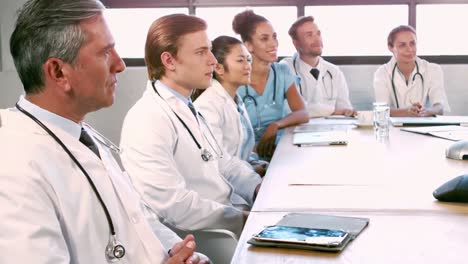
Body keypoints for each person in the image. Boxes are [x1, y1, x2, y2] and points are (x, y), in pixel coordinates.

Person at [0, 1, 208, 263]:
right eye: (105, 52)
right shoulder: (13, 166)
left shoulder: (80, 135)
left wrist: (178, 251)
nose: (120, 64)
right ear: (58, 71)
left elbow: (136, 219)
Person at [119, 14, 262, 238]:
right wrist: (242, 219)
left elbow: (222, 162)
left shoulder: (187, 106)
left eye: (210, 50)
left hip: (231, 216)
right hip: (212, 238)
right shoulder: (147, 118)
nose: (213, 61)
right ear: (169, 61)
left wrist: (256, 188)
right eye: (200, 52)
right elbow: (173, 205)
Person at [233, 10, 308, 159]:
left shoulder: (282, 71)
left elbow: (303, 113)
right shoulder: (236, 80)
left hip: (278, 148)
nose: (273, 43)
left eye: (274, 37)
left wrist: (276, 126)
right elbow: (231, 136)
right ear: (249, 46)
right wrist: (255, 151)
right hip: (246, 155)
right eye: (264, 38)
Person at [194, 36, 269, 177]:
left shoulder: (235, 101)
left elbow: (242, 153)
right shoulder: (207, 107)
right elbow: (219, 164)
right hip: (225, 189)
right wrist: (255, 174)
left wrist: (261, 166)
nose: (248, 66)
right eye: (240, 60)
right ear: (219, 68)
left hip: (242, 178)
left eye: (248, 59)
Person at [281, 16, 356, 118]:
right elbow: (291, 109)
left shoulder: (334, 71)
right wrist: (333, 111)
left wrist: (339, 112)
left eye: (318, 34)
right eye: (309, 35)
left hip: (332, 130)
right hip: (298, 131)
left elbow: (345, 110)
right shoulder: (286, 68)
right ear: (296, 43)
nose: (317, 39)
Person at [373, 25, 450, 117]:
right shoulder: (382, 73)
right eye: (402, 45)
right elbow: (382, 109)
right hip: (394, 128)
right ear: (390, 47)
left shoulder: (433, 69)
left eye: (412, 43)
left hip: (425, 125)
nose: (409, 49)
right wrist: (406, 112)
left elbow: (439, 107)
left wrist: (428, 111)